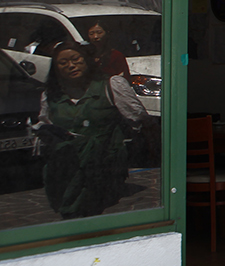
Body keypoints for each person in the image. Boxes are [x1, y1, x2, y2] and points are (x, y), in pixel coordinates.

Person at [34, 40, 147, 218]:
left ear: (86, 60)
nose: (71, 66)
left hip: (101, 169)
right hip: (65, 170)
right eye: (63, 63)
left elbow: (138, 116)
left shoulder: (111, 86)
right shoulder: (50, 96)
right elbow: (45, 124)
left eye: (75, 59)